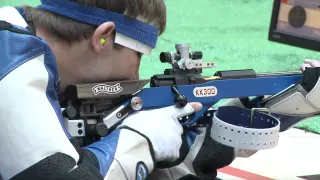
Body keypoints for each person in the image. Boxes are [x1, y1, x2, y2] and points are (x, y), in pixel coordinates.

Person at [0, 0, 207, 179]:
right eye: (140, 54)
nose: (136, 75)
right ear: (103, 37)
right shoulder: (10, 56)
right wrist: (140, 141)